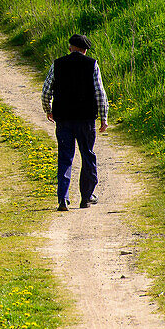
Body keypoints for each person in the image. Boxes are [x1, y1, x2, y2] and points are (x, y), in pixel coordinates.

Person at [41, 33, 109, 211]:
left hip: (63, 118)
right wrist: (104, 117)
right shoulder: (92, 64)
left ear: (70, 47)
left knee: (65, 157)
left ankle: (63, 199)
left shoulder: (57, 64)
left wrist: (49, 110)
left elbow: (46, 92)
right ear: (85, 50)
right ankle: (86, 197)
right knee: (87, 155)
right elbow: (100, 93)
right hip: (85, 119)